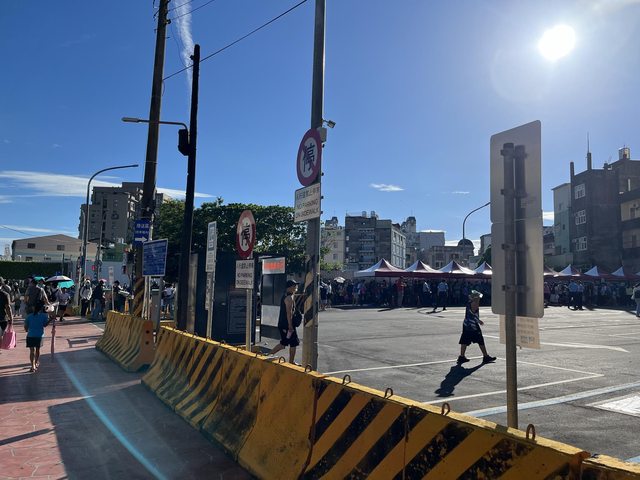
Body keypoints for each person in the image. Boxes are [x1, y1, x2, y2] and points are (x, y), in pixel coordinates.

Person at [457, 290, 496, 364]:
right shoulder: (475, 303)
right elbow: (474, 314)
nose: (479, 299)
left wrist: (478, 320)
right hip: (472, 325)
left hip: (466, 324)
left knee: (465, 339)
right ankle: (485, 356)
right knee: (480, 339)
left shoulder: (469, 302)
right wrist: (478, 321)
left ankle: (461, 356)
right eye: (478, 298)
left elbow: (472, 314)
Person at [269, 279, 300, 363]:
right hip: (286, 324)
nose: (296, 287)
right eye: (294, 286)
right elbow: (288, 313)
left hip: (285, 324)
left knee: (288, 343)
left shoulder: (288, 295)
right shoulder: (288, 298)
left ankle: (290, 361)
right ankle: (268, 355)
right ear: (289, 287)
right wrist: (290, 325)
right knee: (290, 343)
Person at [24, 304, 49, 372]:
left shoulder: (29, 316)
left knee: (32, 351)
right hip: (39, 335)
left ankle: (33, 366)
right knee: (37, 350)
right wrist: (50, 319)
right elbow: (45, 325)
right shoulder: (43, 316)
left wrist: (27, 329)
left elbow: (26, 327)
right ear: (41, 309)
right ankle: (36, 363)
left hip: (30, 335)